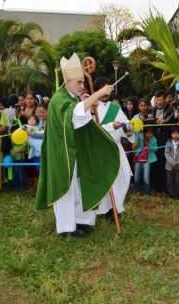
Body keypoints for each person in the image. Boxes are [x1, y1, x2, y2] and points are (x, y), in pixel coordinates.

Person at [35, 53, 119, 239]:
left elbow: (80, 117)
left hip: (73, 151)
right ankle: (66, 229)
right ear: (68, 81)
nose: (82, 86)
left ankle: (82, 220)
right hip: (62, 154)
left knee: (79, 186)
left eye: (82, 82)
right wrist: (99, 93)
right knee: (66, 190)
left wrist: (90, 103)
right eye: (79, 82)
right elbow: (74, 115)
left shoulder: (71, 97)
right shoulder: (59, 99)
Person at [93, 77, 135, 220]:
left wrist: (128, 131)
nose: (107, 92)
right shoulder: (91, 107)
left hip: (116, 148)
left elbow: (124, 124)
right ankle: (106, 209)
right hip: (100, 150)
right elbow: (93, 130)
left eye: (108, 88)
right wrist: (112, 126)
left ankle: (115, 207)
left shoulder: (115, 107)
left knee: (121, 177)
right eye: (103, 88)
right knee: (104, 180)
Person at [151, 89, 175, 193]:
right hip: (154, 137)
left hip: (165, 138)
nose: (159, 102)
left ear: (164, 100)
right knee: (155, 162)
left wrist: (156, 121)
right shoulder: (152, 110)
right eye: (157, 100)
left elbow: (168, 121)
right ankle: (155, 187)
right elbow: (150, 120)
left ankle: (164, 188)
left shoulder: (169, 109)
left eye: (161, 100)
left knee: (163, 162)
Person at [164, 127, 179, 199]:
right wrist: (173, 162)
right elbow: (166, 153)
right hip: (169, 165)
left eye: (177, 133)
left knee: (178, 180)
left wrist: (177, 162)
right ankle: (171, 194)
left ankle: (178, 193)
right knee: (170, 180)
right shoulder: (168, 142)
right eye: (174, 133)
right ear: (171, 134)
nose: (175, 135)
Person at [134, 127, 157, 197]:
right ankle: (139, 190)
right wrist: (137, 140)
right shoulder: (140, 136)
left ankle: (147, 193)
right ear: (145, 133)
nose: (150, 135)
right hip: (138, 160)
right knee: (136, 178)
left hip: (147, 161)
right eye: (148, 133)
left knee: (146, 178)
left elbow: (156, 149)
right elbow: (135, 145)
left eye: (151, 133)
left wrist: (149, 146)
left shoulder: (154, 139)